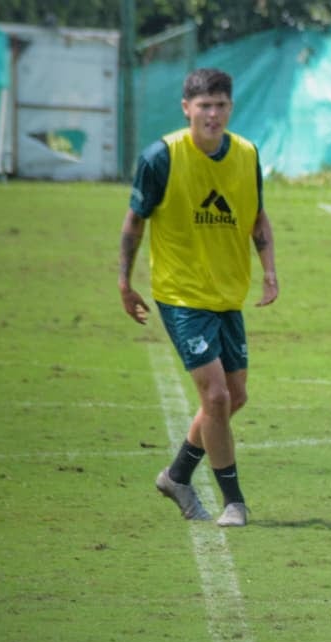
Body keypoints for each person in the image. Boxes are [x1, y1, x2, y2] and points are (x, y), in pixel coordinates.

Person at [118, 67, 279, 528]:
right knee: (216, 396)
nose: (213, 114)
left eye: (220, 105)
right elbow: (134, 223)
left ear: (230, 108)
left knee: (236, 395)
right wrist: (125, 283)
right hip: (180, 294)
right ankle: (235, 502)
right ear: (186, 108)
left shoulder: (246, 155)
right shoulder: (161, 157)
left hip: (227, 295)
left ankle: (176, 475)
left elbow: (258, 218)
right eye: (204, 105)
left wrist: (268, 271)